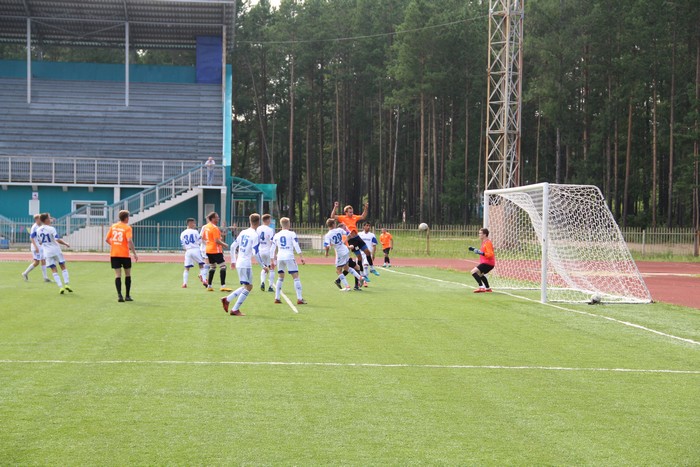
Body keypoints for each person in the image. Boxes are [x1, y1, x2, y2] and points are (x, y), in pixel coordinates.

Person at [221, 213, 269, 316]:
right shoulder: (255, 235)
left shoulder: (243, 232)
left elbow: (233, 246)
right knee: (248, 287)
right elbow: (255, 253)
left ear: (250, 221)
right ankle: (234, 309)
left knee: (247, 286)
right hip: (245, 264)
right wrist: (263, 266)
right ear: (258, 222)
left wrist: (233, 261)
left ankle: (227, 300)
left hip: (240, 262)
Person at [33, 213, 72, 294]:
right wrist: (66, 243)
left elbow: (40, 242)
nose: (50, 219)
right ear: (46, 220)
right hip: (56, 250)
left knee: (53, 269)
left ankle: (60, 287)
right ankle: (66, 284)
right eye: (49, 218)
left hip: (47, 252)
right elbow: (57, 239)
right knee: (63, 266)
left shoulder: (38, 230)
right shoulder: (51, 229)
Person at [270, 217, 306, 304]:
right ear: (289, 224)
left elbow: (272, 249)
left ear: (281, 225)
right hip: (289, 256)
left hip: (280, 257)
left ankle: (277, 297)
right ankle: (299, 298)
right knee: (296, 277)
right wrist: (301, 256)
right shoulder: (292, 234)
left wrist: (272, 260)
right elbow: (296, 245)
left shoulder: (276, 235)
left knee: (280, 277)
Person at [106, 209, 138, 302]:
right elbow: (129, 240)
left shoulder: (113, 226)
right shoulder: (127, 228)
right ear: (126, 218)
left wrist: (115, 245)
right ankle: (127, 296)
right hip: (124, 254)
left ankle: (119, 296)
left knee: (117, 275)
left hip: (114, 254)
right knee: (127, 274)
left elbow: (107, 239)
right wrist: (134, 253)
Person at [323, 218, 364, 292]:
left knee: (338, 270)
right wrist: (346, 228)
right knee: (346, 267)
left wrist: (326, 253)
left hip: (340, 253)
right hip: (346, 250)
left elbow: (327, 246)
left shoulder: (328, 235)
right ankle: (360, 278)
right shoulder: (339, 230)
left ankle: (347, 286)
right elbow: (349, 234)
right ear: (334, 224)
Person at [201, 212, 231, 292]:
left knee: (213, 267)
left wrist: (209, 243)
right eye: (217, 217)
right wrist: (224, 244)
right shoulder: (214, 228)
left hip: (208, 250)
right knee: (223, 266)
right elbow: (216, 240)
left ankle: (209, 286)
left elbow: (203, 238)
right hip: (216, 250)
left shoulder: (206, 227)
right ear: (213, 218)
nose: (218, 218)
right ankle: (223, 286)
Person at [21, 213, 50, 282]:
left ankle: (45, 278)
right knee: (37, 262)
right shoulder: (34, 227)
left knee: (43, 260)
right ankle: (25, 273)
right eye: (40, 219)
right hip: (36, 247)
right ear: (36, 219)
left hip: (40, 246)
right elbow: (31, 238)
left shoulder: (41, 226)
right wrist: (36, 247)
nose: (41, 220)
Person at [180, 218, 207, 288]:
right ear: (189, 223)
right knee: (201, 265)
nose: (195, 224)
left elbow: (183, 245)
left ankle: (184, 283)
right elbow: (200, 240)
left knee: (186, 268)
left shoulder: (182, 233)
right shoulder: (195, 231)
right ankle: (204, 280)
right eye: (193, 223)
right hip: (195, 249)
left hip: (188, 251)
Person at [469, 228, 496, 293]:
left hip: (488, 263)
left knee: (473, 271)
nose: (479, 234)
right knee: (480, 274)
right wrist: (475, 250)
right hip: (487, 263)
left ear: (485, 235)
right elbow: (483, 253)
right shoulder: (484, 243)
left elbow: (490, 254)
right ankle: (488, 288)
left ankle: (481, 287)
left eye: (480, 233)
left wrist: (481, 253)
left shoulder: (488, 243)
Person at [256, 214, 276, 292]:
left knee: (264, 267)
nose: (270, 221)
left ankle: (262, 282)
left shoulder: (258, 229)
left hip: (261, 250)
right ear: (267, 220)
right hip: (268, 251)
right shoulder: (270, 230)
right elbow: (271, 242)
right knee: (271, 268)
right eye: (269, 219)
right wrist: (274, 253)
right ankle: (270, 286)